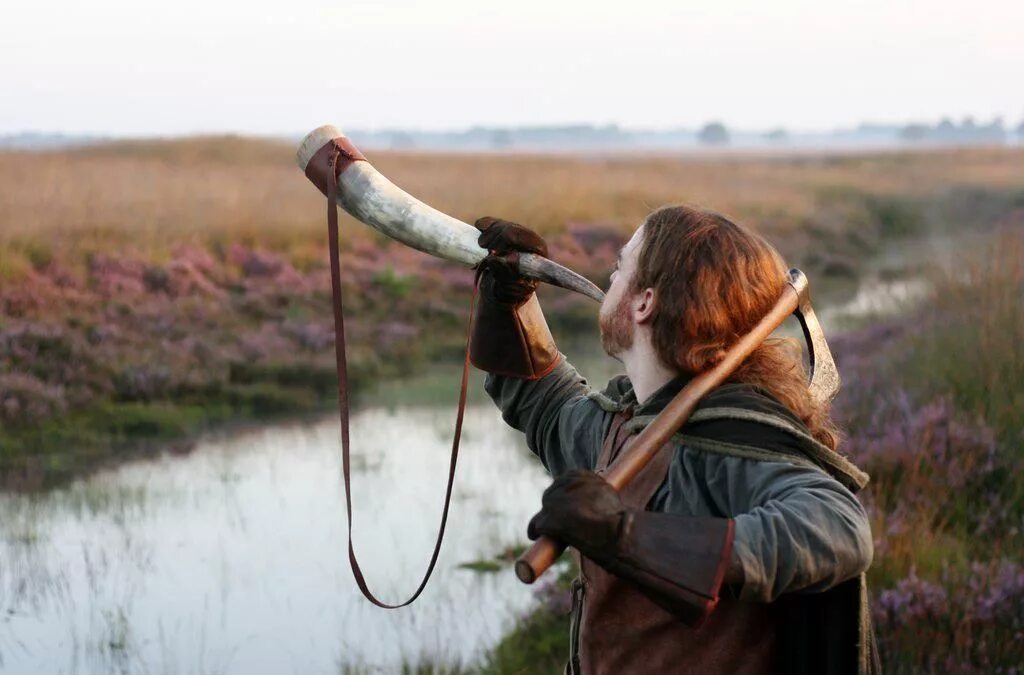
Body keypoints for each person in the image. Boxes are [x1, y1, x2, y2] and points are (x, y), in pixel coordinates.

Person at [469, 205, 880, 674]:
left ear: (644, 302)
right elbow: (547, 404)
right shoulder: (629, 425)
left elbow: (840, 528)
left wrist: (623, 535)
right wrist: (511, 302)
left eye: (622, 264)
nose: (611, 272)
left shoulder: (730, 445)